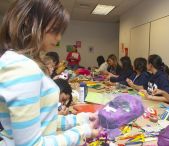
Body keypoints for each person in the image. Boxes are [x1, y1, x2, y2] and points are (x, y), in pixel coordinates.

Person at [0, 0, 99, 145]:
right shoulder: (23, 68)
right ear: (29, 22)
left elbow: (42, 120)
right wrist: (82, 132)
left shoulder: (19, 61)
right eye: (54, 30)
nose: (59, 38)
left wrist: (80, 119)